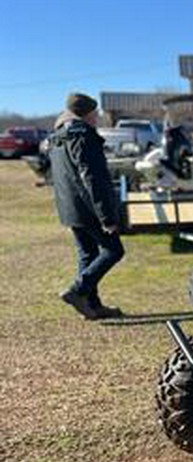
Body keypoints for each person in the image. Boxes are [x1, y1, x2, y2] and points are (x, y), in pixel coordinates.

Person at [48, 93, 124, 319]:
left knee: (88, 254)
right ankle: (77, 291)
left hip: (71, 207)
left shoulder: (58, 137)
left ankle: (92, 305)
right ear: (87, 114)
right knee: (114, 250)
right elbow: (93, 178)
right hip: (88, 207)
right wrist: (107, 217)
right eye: (95, 113)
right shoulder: (83, 136)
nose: (97, 117)